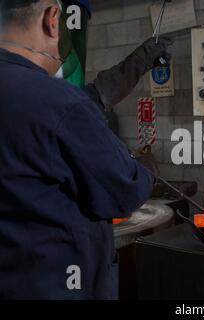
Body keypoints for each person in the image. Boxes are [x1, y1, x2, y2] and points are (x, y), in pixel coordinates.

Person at [0, 0, 169, 299]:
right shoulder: (59, 101)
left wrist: (135, 64)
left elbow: (50, 113)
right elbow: (124, 190)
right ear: (53, 19)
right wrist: (146, 169)